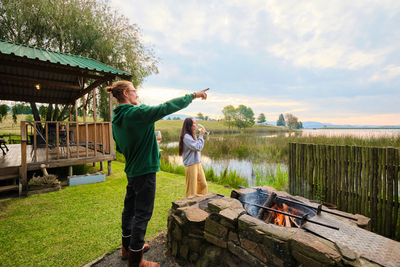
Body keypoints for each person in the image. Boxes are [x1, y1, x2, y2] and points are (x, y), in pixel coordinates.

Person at [105, 81, 209, 267]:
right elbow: (166, 107)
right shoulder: (137, 113)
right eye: (134, 91)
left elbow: (120, 147)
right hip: (145, 171)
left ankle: (127, 248)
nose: (137, 94)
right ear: (126, 94)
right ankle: (135, 261)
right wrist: (193, 95)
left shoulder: (116, 120)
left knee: (129, 211)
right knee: (142, 214)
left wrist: (146, 142)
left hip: (132, 171)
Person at [178, 117, 208, 197]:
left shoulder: (192, 136)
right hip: (191, 165)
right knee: (192, 189)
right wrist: (201, 136)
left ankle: (199, 202)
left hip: (197, 163)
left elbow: (197, 148)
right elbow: (198, 147)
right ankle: (189, 206)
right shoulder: (186, 137)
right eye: (194, 123)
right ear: (189, 125)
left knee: (203, 185)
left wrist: (199, 137)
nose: (196, 124)